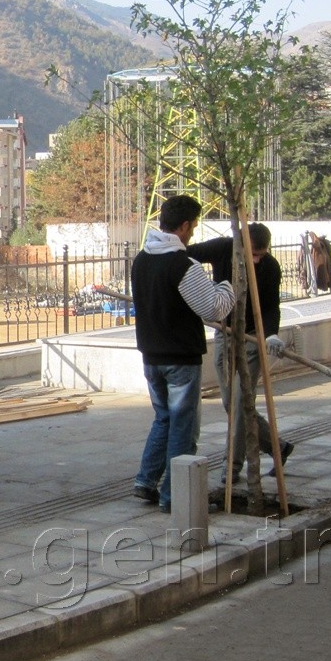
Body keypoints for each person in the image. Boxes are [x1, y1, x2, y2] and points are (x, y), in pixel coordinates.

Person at [131, 194, 236, 511]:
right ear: (186, 225)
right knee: (182, 427)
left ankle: (146, 481)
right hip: (180, 358)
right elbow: (213, 308)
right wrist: (229, 285)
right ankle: (174, 496)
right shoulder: (183, 266)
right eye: (192, 228)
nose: (193, 235)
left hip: (151, 355)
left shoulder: (141, 260)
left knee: (163, 418)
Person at [187, 222, 293, 470]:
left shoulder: (270, 267)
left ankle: (233, 463)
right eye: (253, 254)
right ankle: (278, 446)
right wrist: (203, 290)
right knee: (230, 402)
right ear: (242, 245)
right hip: (225, 331)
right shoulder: (224, 248)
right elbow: (187, 255)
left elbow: (270, 307)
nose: (257, 260)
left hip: (252, 337)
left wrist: (271, 335)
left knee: (240, 399)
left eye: (262, 254)